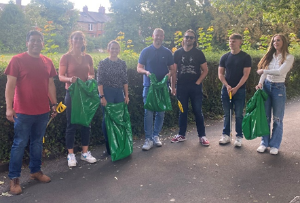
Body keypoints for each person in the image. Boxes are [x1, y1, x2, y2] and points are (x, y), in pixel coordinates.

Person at [5, 30, 57, 195]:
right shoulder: (17, 60)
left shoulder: (48, 62)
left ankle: (35, 171)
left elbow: (50, 85)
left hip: (43, 111)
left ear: (43, 43)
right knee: (19, 144)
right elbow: (10, 85)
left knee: (36, 143)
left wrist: (54, 104)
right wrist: (9, 107)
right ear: (27, 43)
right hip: (23, 112)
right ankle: (14, 179)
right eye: (32, 40)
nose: (36, 43)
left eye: (39, 40)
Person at [59, 31, 97, 167]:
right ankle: (71, 155)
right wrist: (70, 79)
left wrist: (90, 78)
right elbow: (60, 76)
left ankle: (85, 153)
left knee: (86, 123)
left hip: (85, 94)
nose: (79, 41)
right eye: (76, 38)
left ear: (84, 41)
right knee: (71, 123)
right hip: (72, 94)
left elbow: (91, 74)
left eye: (81, 39)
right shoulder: (66, 57)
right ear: (71, 40)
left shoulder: (88, 58)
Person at [137, 28, 176, 151]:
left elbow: (172, 69)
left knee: (160, 112)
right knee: (148, 112)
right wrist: (146, 72)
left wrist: (169, 75)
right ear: (153, 36)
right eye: (156, 35)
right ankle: (148, 139)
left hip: (162, 88)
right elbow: (139, 68)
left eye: (161, 36)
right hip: (149, 86)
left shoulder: (167, 52)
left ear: (163, 37)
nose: (158, 37)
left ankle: (156, 136)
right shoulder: (146, 51)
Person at [255, 34, 294, 155]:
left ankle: (275, 144)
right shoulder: (270, 56)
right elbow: (265, 73)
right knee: (265, 117)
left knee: (277, 119)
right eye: (273, 41)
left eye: (278, 40)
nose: (275, 43)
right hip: (266, 86)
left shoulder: (289, 57)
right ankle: (264, 143)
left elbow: (280, 71)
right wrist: (260, 83)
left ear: (284, 42)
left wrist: (264, 71)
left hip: (278, 88)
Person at [171, 29, 209, 146]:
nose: (188, 39)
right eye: (187, 37)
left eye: (191, 37)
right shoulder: (177, 53)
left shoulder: (198, 53)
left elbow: (205, 70)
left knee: (198, 111)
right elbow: (174, 71)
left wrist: (198, 82)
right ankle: (181, 135)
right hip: (181, 86)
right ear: (183, 38)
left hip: (195, 87)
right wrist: (173, 87)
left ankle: (202, 136)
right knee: (182, 111)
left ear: (194, 40)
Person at [218, 33, 252, 147]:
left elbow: (245, 75)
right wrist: (227, 85)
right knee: (227, 114)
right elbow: (220, 74)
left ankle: (239, 137)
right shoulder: (224, 57)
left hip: (240, 90)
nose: (231, 43)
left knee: (238, 114)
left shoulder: (246, 57)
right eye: (230, 41)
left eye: (234, 41)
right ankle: (226, 135)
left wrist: (236, 88)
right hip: (226, 90)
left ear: (240, 42)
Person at [97, 40, 129, 158]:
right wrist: (102, 96)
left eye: (116, 48)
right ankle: (109, 146)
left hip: (119, 93)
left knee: (119, 119)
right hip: (107, 92)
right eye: (112, 48)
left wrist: (126, 95)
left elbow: (125, 80)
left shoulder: (122, 63)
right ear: (108, 49)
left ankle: (120, 144)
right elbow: (99, 81)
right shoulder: (103, 63)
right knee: (108, 119)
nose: (114, 50)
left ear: (118, 50)